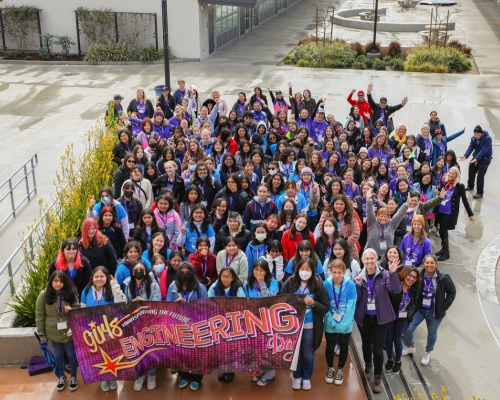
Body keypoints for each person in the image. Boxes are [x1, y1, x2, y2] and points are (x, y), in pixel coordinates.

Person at [354, 248, 401, 394]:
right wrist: (358, 285)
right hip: (364, 317)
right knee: (366, 344)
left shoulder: (385, 274)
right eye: (366, 259)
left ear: (376, 259)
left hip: (381, 318)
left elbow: (395, 290)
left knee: (378, 349)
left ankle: (378, 375)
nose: (369, 261)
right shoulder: (359, 276)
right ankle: (368, 365)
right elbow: (356, 298)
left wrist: (393, 273)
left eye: (372, 258)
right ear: (363, 261)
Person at [280, 258, 329, 391]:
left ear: (313, 271)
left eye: (308, 269)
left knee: (307, 353)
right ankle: (297, 376)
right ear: (297, 270)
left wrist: (312, 303)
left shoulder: (318, 284)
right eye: (302, 269)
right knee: (296, 353)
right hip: (293, 326)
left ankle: (306, 377)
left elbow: (325, 307)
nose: (305, 272)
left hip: (309, 326)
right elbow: (280, 300)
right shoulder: (290, 282)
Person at [112, 261, 160, 390]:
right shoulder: (128, 285)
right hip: (134, 324)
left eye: (141, 269)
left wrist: (142, 302)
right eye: (136, 270)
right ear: (132, 272)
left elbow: (158, 304)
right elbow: (126, 303)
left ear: (145, 271)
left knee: (150, 351)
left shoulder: (153, 285)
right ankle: (139, 375)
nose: (139, 271)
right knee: (136, 351)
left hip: (150, 323)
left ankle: (151, 375)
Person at [402, 254, 456, 366]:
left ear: (436, 264)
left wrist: (444, 306)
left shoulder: (443, 277)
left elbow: (452, 292)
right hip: (419, 310)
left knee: (432, 333)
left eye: (432, 263)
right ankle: (410, 346)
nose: (429, 265)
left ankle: (428, 352)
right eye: (427, 263)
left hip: (434, 312)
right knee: (407, 328)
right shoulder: (418, 275)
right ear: (423, 264)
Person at [35, 271, 81, 391]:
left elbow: (78, 309)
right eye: (55, 281)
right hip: (53, 332)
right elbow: (39, 315)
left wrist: (71, 310)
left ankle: (73, 377)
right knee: (58, 355)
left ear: (65, 282)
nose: (58, 283)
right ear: (51, 281)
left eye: (61, 281)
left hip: (69, 331)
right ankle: (61, 377)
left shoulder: (71, 293)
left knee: (71, 355)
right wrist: (41, 334)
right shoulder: (44, 294)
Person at [166, 262, 208, 390]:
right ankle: (184, 375)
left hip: (196, 325)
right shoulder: (172, 287)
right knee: (181, 352)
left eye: (187, 273)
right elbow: (167, 307)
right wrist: (175, 304)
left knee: (197, 353)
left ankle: (196, 377)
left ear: (192, 273)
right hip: (179, 326)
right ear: (178, 274)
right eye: (182, 273)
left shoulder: (200, 287)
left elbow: (206, 307)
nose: (185, 275)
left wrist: (189, 304)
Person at [80, 266, 122, 391]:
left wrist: (115, 285)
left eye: (102, 276)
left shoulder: (112, 289)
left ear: (107, 277)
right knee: (99, 355)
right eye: (96, 276)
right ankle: (104, 377)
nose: (99, 279)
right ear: (92, 277)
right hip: (94, 330)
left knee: (112, 354)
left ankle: (113, 377)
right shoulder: (86, 291)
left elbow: (122, 303)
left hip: (110, 329)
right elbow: (82, 309)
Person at [244, 260, 279, 386]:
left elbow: (270, 300)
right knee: (256, 349)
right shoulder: (247, 284)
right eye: (256, 270)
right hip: (252, 321)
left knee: (268, 348)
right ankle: (258, 372)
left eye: (261, 270)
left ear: (267, 271)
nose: (258, 273)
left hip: (269, 321)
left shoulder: (273, 282)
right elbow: (243, 301)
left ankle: (269, 374)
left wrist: (262, 283)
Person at [323, 259, 357, 385]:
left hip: (346, 324)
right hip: (329, 322)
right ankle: (330, 368)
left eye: (339, 272)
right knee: (330, 346)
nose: (337, 275)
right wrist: (332, 322)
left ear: (344, 272)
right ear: (330, 271)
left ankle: (340, 370)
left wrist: (343, 325)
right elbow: (325, 305)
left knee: (343, 346)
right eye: (334, 272)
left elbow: (351, 307)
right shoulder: (325, 284)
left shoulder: (351, 285)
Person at [208, 267, 245, 383]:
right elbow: (208, 301)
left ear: (233, 278)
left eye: (228, 276)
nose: (225, 279)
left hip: (233, 322)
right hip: (218, 322)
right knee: (220, 347)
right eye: (223, 276)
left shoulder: (238, 288)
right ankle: (222, 369)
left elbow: (243, 303)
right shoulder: (214, 287)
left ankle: (230, 370)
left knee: (231, 347)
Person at [384, 266, 421, 375]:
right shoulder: (396, 285)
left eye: (414, 277)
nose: (411, 279)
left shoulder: (415, 288)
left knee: (397, 338)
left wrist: (411, 315)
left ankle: (398, 361)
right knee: (389, 337)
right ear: (404, 274)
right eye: (410, 275)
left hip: (403, 318)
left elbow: (415, 303)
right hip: (391, 317)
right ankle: (390, 358)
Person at [434, 166, 474, 260]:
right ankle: (443, 249)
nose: (451, 175)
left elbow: (464, 200)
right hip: (440, 211)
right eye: (450, 173)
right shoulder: (444, 183)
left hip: (449, 212)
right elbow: (439, 193)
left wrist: (470, 214)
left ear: (456, 175)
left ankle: (447, 253)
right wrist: (437, 192)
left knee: (443, 230)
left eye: (453, 173)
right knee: (441, 230)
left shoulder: (460, 186)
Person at [365, 189, 409, 257]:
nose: (383, 218)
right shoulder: (372, 222)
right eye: (381, 216)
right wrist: (368, 199)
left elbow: (400, 214)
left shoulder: (392, 224)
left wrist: (407, 204)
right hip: (371, 255)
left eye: (385, 216)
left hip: (386, 256)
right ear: (377, 216)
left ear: (389, 218)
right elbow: (369, 212)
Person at [460, 125, 493, 198]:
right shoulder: (474, 138)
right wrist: (465, 156)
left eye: (478, 133)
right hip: (476, 157)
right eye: (475, 133)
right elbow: (471, 147)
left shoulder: (488, 139)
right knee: (471, 169)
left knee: (480, 176)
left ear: (481, 133)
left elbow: (484, 150)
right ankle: (470, 185)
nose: (476, 134)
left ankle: (480, 192)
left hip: (485, 159)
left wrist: (476, 158)